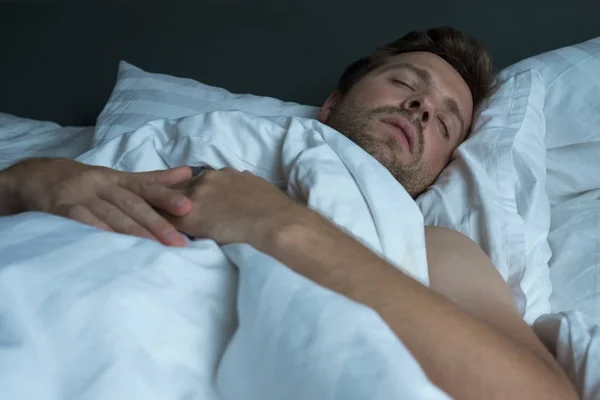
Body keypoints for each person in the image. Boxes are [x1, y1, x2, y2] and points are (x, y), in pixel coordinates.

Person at [0, 27, 577, 399]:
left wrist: (276, 224)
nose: (423, 107)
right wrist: (27, 180)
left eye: (446, 122)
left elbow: (537, 394)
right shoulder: (174, 144)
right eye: (405, 83)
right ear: (332, 104)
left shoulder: (434, 247)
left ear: (439, 168)